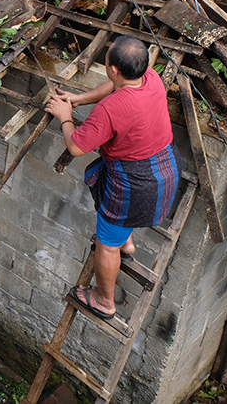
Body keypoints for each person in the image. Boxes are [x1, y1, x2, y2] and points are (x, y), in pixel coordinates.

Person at [45, 35, 179, 320]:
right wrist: (79, 98)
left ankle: (105, 301)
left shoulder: (112, 109)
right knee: (117, 229)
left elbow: (77, 146)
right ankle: (126, 243)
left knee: (106, 244)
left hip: (135, 185)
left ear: (114, 68)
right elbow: (114, 88)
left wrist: (65, 115)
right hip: (164, 167)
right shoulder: (150, 78)